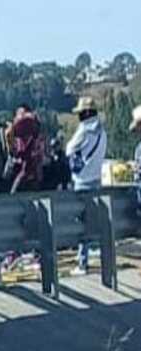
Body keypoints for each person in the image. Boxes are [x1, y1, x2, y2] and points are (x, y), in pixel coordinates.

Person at [66, 96, 107, 275]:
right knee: (94, 220)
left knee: (81, 222)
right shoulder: (102, 132)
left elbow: (69, 149)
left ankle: (82, 262)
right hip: (97, 179)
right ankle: (93, 252)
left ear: (86, 113)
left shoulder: (84, 130)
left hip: (82, 181)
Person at [5, 104, 46, 193]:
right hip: (28, 174)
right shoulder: (19, 140)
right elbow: (12, 152)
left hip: (29, 174)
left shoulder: (34, 139)